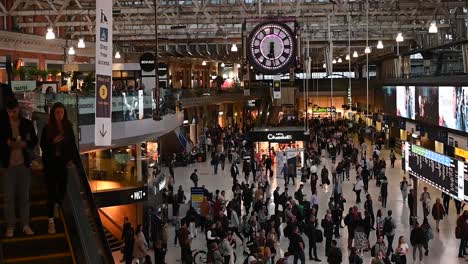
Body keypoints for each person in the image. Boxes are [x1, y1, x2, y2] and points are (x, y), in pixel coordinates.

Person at [0, 97, 38, 238]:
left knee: (24, 196)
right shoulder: (3, 125)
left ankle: (25, 224)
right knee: (9, 197)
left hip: (23, 163)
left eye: (14, 111)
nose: (12, 114)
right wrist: (7, 143)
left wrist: (25, 144)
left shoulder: (26, 124)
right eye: (9, 112)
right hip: (8, 164)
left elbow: (34, 140)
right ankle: (11, 225)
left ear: (18, 109)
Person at [40, 102, 79, 235]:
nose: (60, 115)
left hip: (62, 162)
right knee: (51, 190)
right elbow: (43, 146)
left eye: (62, 112)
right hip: (50, 163)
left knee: (62, 188)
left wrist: (71, 159)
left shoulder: (67, 127)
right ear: (53, 114)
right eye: (57, 112)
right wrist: (53, 142)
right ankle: (50, 221)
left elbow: (72, 145)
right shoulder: (47, 128)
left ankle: (57, 203)